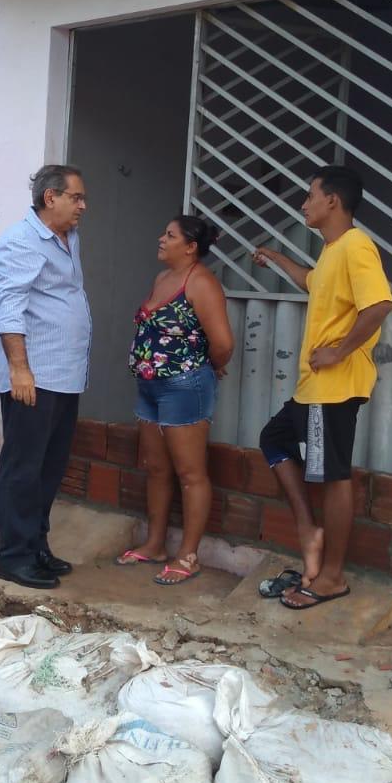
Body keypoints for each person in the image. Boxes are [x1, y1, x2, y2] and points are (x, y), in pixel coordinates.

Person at [252, 165, 392, 611]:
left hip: (333, 387)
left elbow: (380, 304)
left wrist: (339, 351)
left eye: (310, 195)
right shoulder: (333, 251)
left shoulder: (356, 246)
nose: (304, 203)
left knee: (334, 478)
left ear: (332, 201)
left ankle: (332, 577)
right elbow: (311, 281)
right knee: (273, 439)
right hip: (313, 388)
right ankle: (308, 530)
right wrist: (276, 257)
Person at [0, 165, 92, 590]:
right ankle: (13, 557)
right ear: (51, 198)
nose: (83, 206)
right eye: (76, 197)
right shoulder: (20, 242)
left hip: (65, 375)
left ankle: (36, 546)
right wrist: (19, 369)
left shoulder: (68, 239)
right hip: (34, 377)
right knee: (23, 467)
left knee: (49, 468)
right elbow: (8, 309)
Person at [116, 216, 233, 585]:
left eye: (170, 235)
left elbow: (224, 343)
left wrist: (210, 366)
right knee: (157, 469)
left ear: (191, 246)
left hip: (184, 387)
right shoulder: (162, 278)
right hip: (150, 387)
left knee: (190, 473)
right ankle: (154, 544)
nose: (161, 239)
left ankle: (188, 555)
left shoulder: (201, 282)